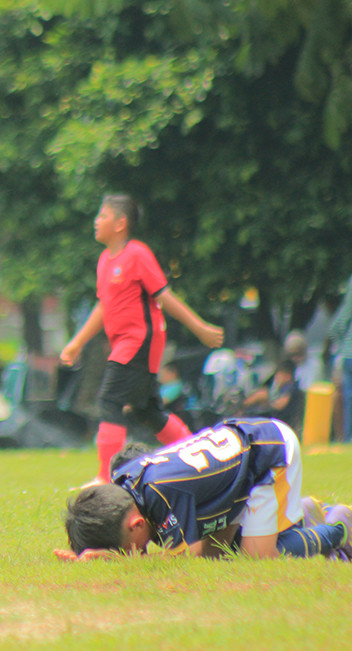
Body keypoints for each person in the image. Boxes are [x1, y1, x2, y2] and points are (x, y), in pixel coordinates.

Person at [59, 194, 224, 487]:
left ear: (120, 223)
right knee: (147, 411)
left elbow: (164, 296)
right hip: (125, 343)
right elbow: (102, 307)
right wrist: (77, 342)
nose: (96, 221)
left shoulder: (137, 254)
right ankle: (199, 457)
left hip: (139, 342)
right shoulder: (104, 261)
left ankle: (105, 478)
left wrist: (199, 327)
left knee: (110, 400)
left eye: (103, 216)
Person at [58, 418, 352, 560]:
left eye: (134, 549)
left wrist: (117, 562)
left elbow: (176, 561)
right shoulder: (125, 482)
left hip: (265, 456)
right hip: (234, 465)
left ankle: (339, 527)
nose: (142, 552)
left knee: (257, 557)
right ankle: (303, 513)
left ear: (136, 525)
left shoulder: (160, 494)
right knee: (217, 551)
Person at [241, 359, 303, 429]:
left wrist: (267, 402)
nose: (277, 377)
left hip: (281, 422)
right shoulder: (273, 382)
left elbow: (280, 405)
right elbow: (262, 390)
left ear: (288, 376)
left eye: (281, 375)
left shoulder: (293, 391)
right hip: (262, 416)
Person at [328, 271, 352, 442]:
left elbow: (343, 319)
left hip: (349, 352)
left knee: (349, 398)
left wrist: (338, 343)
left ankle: (348, 438)